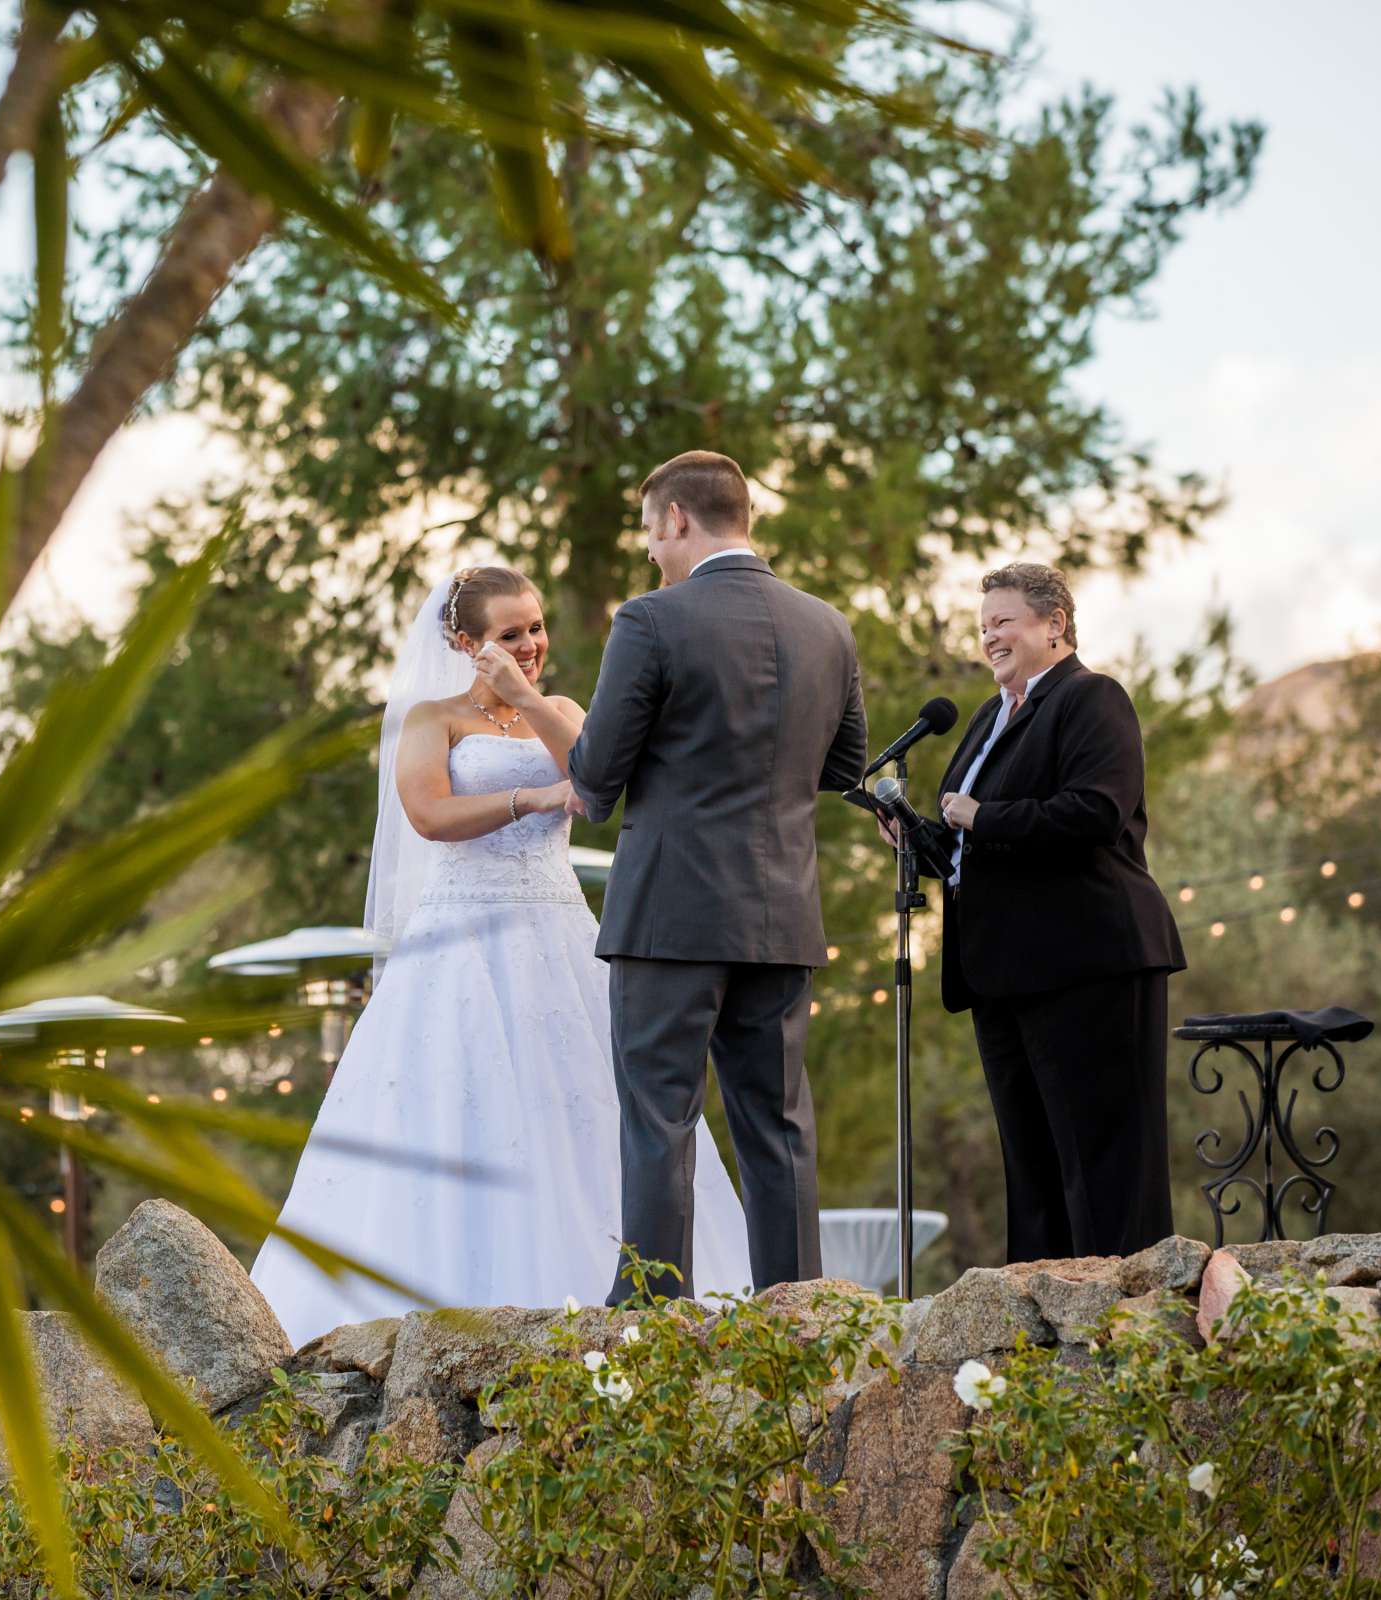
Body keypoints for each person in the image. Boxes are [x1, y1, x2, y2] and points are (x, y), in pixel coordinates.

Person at [248, 566, 752, 1346]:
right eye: (510, 634)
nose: (532, 644)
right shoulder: (432, 717)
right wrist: (530, 798)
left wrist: (524, 701)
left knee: (592, 1102)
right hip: (461, 938)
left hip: (561, 934)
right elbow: (428, 814)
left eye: (537, 627)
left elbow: (594, 775)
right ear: (464, 643)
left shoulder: (560, 710)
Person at [515, 450, 866, 1303]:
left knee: (660, 1120)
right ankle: (796, 1320)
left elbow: (595, 780)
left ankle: (653, 1322)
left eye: (649, 531)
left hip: (669, 917)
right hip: (782, 915)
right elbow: (846, 765)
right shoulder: (827, 625)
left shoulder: (652, 621)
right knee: (777, 1128)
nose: (648, 552)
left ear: (677, 519)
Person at [915, 562, 1185, 1262]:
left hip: (1088, 960)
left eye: (1002, 621)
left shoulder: (1093, 699)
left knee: (1101, 1162)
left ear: (1054, 624)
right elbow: (970, 841)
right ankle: (1036, 1328)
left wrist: (983, 815)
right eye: (983, 627)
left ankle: (1123, 1321)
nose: (988, 637)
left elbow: (1095, 812)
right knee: (1031, 1167)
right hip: (1003, 971)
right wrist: (919, 836)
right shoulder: (986, 716)